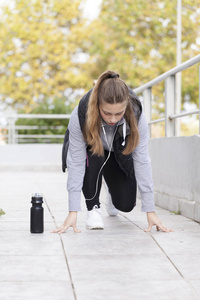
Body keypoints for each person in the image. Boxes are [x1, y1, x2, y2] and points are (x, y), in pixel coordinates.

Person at [52, 70, 173, 234]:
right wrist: (73, 212)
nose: (113, 119)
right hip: (94, 154)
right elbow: (76, 162)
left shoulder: (137, 116)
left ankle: (110, 189)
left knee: (126, 205)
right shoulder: (81, 115)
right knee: (92, 153)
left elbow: (142, 160)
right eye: (107, 113)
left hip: (118, 156)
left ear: (127, 107)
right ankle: (93, 206)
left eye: (119, 113)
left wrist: (150, 211)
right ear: (97, 105)